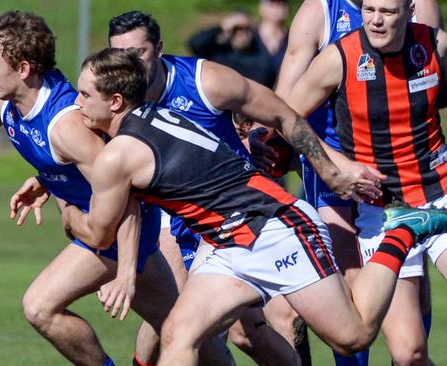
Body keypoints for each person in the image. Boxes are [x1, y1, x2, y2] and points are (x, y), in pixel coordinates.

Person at [0, 11, 234, 366]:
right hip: (108, 227)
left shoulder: (66, 126)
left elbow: (126, 195)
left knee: (40, 306)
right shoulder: (8, 101)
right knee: (181, 328)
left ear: (24, 68)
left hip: (114, 230)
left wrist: (125, 272)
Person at [60, 46, 447, 366]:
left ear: (114, 102)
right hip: (228, 244)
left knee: (353, 336)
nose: (77, 106)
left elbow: (99, 232)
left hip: (277, 228)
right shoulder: (157, 117)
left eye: (84, 95)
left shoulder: (119, 155)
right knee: (179, 334)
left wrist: (67, 209)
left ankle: (401, 231)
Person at [108, 11, 302, 366]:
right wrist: (43, 178)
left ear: (160, 50)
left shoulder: (201, 80)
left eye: (138, 53)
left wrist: (252, 137)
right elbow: (80, 142)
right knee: (176, 317)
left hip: (231, 211)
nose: (129, 64)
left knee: (247, 331)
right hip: (170, 218)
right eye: (120, 54)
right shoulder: (113, 95)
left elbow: (270, 111)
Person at [270, 0, 444, 364]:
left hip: (439, 193)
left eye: (388, 12)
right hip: (385, 209)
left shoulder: (435, 43)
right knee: (408, 352)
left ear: (409, 10)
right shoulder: (339, 57)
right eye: (369, 10)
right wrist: (335, 163)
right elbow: (287, 116)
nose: (377, 21)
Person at [188, 10, 278, 88]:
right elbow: (194, 45)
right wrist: (221, 26)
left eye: (245, 29)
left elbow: (264, 81)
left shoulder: (261, 58)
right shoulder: (218, 52)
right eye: (235, 29)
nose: (240, 33)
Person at [256, 0, 290, 72]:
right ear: (261, 7)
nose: (277, 7)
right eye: (272, 2)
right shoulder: (248, 37)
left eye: (281, 3)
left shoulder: (293, 37)